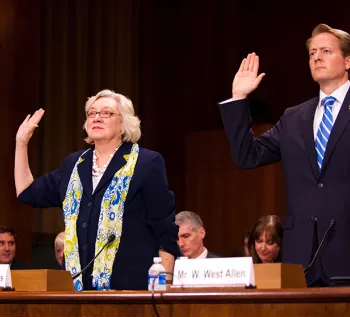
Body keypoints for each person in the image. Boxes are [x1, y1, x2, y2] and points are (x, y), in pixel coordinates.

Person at [218, 23, 350, 286]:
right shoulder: (294, 117)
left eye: (326, 51)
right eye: (312, 53)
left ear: (347, 61)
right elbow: (247, 156)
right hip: (302, 257)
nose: (317, 58)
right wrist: (238, 98)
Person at [15, 89, 180, 291]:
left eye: (106, 113)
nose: (97, 118)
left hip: (130, 289)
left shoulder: (147, 163)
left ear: (124, 123)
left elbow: (164, 227)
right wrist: (21, 144)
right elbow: (26, 192)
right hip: (78, 290)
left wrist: (166, 284)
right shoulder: (74, 164)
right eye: (91, 113)